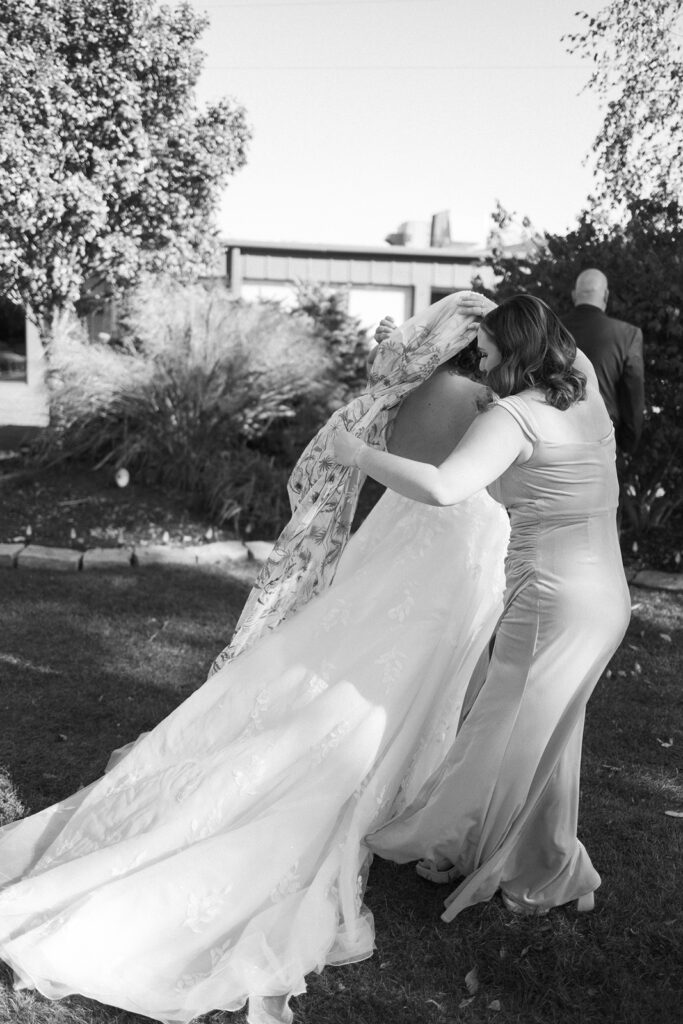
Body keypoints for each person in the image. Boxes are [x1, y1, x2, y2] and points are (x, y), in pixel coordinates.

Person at [0, 295, 511, 1024]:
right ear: (477, 345)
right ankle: (398, 801)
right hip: (451, 560)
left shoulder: (402, 395)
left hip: (401, 549)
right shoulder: (489, 404)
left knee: (360, 673)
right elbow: (475, 484)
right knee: (392, 690)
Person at [334, 293, 631, 921]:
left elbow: (444, 487)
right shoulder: (580, 388)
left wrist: (356, 455)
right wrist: (415, 342)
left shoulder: (515, 417)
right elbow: (531, 328)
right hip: (605, 596)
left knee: (504, 737)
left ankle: (531, 870)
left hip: (553, 601)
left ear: (515, 350)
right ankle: (530, 859)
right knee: (546, 740)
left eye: (489, 348)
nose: (481, 356)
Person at [561, 268, 645, 454]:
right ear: (606, 295)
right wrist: (627, 445)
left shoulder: (550, 330)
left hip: (554, 437)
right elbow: (633, 397)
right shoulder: (627, 335)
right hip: (603, 439)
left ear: (575, 295)